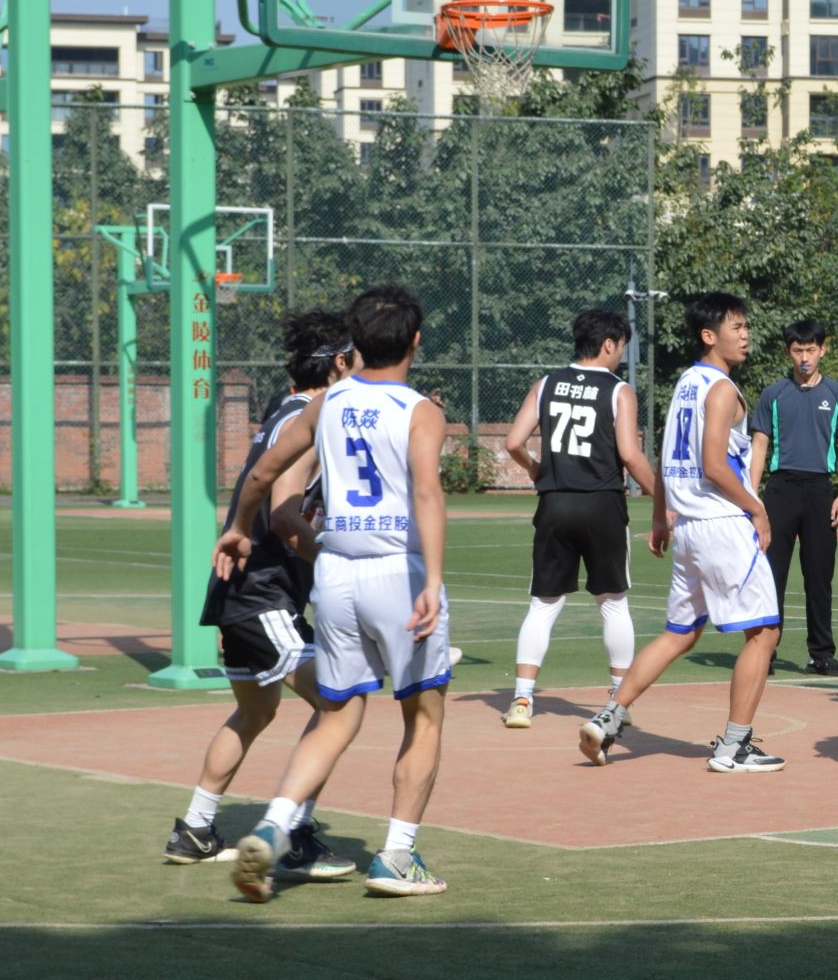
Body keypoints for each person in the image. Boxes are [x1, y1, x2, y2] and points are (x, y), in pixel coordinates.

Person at [217, 285, 454, 901]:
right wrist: (431, 581)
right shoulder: (420, 411)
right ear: (415, 341)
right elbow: (426, 493)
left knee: (336, 715)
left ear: (356, 343)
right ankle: (396, 856)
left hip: (336, 575)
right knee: (424, 716)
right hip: (397, 572)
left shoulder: (327, 402)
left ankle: (272, 829)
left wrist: (238, 527)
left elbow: (265, 472)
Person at [161, 310, 357, 885]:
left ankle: (196, 830)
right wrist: (340, 563)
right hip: (263, 594)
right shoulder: (308, 420)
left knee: (256, 711)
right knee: (339, 704)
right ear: (339, 363)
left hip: (243, 593)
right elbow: (286, 515)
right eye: (360, 359)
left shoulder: (282, 412)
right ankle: (293, 835)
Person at [578, 292, 785, 774]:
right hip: (722, 526)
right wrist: (757, 509)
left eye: (746, 326)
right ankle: (734, 746)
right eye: (736, 327)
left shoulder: (686, 384)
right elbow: (714, 465)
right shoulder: (721, 389)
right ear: (709, 335)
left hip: (689, 529)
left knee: (680, 633)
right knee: (764, 633)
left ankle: (609, 717)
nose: (746, 335)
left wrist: (659, 515)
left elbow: (669, 457)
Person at [499, 308, 660, 729]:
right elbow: (630, 455)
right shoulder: (619, 391)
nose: (621, 354)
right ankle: (617, 703)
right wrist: (663, 497)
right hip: (602, 505)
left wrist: (536, 469)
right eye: (621, 346)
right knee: (613, 604)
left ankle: (522, 700)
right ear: (608, 344)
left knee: (543, 605)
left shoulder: (546, 384)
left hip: (555, 504)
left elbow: (513, 442)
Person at [747, 317, 838, 678]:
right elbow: (760, 444)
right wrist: (752, 497)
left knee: (819, 576)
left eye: (811, 349)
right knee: (771, 575)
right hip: (780, 490)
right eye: (798, 350)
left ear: (823, 350)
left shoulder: (837, 394)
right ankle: (764, 652)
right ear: (788, 352)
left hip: (820, 491)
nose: (805, 357)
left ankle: (821, 655)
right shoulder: (774, 394)